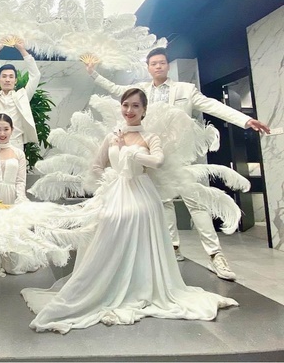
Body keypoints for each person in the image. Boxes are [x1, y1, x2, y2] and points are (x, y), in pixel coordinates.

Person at [21, 88, 238, 333]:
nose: (129, 110)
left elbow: (158, 161)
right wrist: (107, 181)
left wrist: (131, 153)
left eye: (135, 106)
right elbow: (96, 165)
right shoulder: (112, 135)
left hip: (142, 192)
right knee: (108, 223)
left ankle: (139, 285)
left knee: (136, 222)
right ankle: (105, 283)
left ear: (144, 110)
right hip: (116, 191)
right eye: (126, 105)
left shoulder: (150, 136)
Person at [84, 47, 270, 280]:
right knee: (163, 203)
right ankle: (173, 248)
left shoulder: (185, 90)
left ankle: (215, 255)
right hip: (151, 152)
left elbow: (213, 105)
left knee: (196, 202)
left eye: (162, 62)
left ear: (168, 65)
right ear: (148, 67)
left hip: (180, 156)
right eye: (154, 63)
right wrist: (93, 73)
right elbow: (116, 89)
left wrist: (245, 120)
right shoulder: (141, 91)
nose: (158, 66)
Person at [0, 113, 40, 277]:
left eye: (6, 129)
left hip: (12, 198)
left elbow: (20, 181)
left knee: (12, 234)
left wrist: (20, 199)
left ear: (12, 130)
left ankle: (11, 261)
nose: (2, 133)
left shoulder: (19, 153)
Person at [0, 37, 41, 149]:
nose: (7, 80)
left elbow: (35, 75)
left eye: (11, 77)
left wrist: (22, 50)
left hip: (16, 143)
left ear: (15, 80)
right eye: (4, 76)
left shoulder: (22, 96)